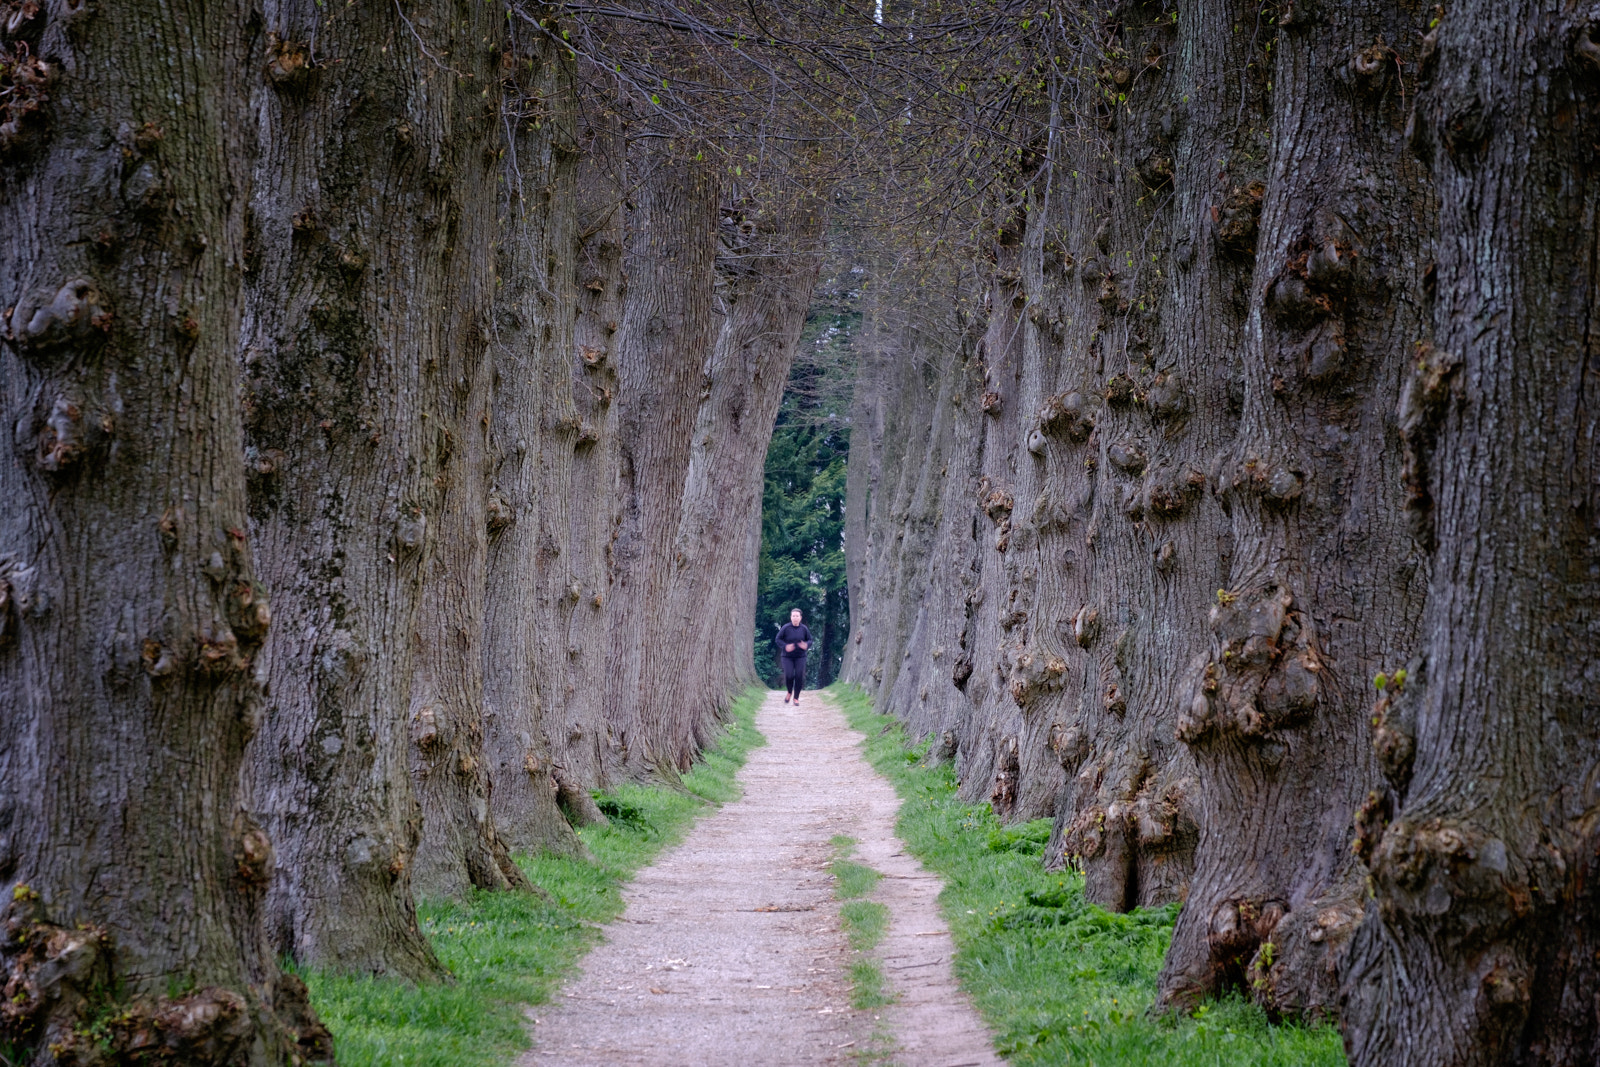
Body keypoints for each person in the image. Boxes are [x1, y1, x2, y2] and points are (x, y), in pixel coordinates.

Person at [774, 608, 812, 705]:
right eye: (793, 616)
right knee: (789, 675)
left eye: (797, 616)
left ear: (800, 618)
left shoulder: (804, 629)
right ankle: (789, 692)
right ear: (791, 617)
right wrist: (785, 646)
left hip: (800, 657)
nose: (795, 618)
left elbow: (810, 640)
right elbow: (778, 639)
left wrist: (806, 645)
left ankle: (796, 698)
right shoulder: (786, 628)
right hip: (787, 657)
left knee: (799, 676)